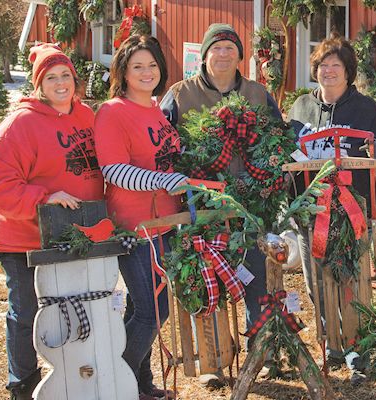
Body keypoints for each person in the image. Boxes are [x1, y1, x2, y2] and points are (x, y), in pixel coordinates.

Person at [160, 23, 282, 386]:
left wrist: (268, 179)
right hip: (203, 208)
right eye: (216, 48)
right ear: (204, 54)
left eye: (230, 48)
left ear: (240, 55)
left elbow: (278, 140)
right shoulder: (181, 95)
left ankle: (262, 353)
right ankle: (212, 358)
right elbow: (164, 147)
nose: (223, 54)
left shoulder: (258, 94)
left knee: (256, 279)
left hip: (250, 208)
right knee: (206, 280)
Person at [0, 43, 104, 400]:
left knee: (71, 306)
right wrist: (43, 197)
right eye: (51, 77)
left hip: (70, 234)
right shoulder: (20, 124)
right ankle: (21, 381)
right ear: (39, 85)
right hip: (24, 239)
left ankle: (71, 374)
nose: (61, 83)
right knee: (27, 312)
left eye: (66, 75)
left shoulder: (86, 116)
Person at [286, 35, 376, 383]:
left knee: (351, 280)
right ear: (315, 70)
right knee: (316, 280)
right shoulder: (300, 108)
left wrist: (372, 148)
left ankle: (357, 348)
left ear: (348, 72)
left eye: (337, 66)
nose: (329, 71)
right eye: (323, 65)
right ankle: (332, 343)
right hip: (310, 213)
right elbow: (288, 155)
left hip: (351, 213)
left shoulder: (365, 109)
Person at [94, 35, 187, 400]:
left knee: (140, 308)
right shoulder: (112, 112)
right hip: (135, 227)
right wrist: (164, 180)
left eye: (152, 65)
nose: (147, 72)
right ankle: (113, 381)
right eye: (137, 67)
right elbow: (114, 170)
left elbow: (166, 158)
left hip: (165, 223)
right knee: (152, 312)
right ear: (123, 71)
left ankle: (139, 387)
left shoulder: (157, 111)